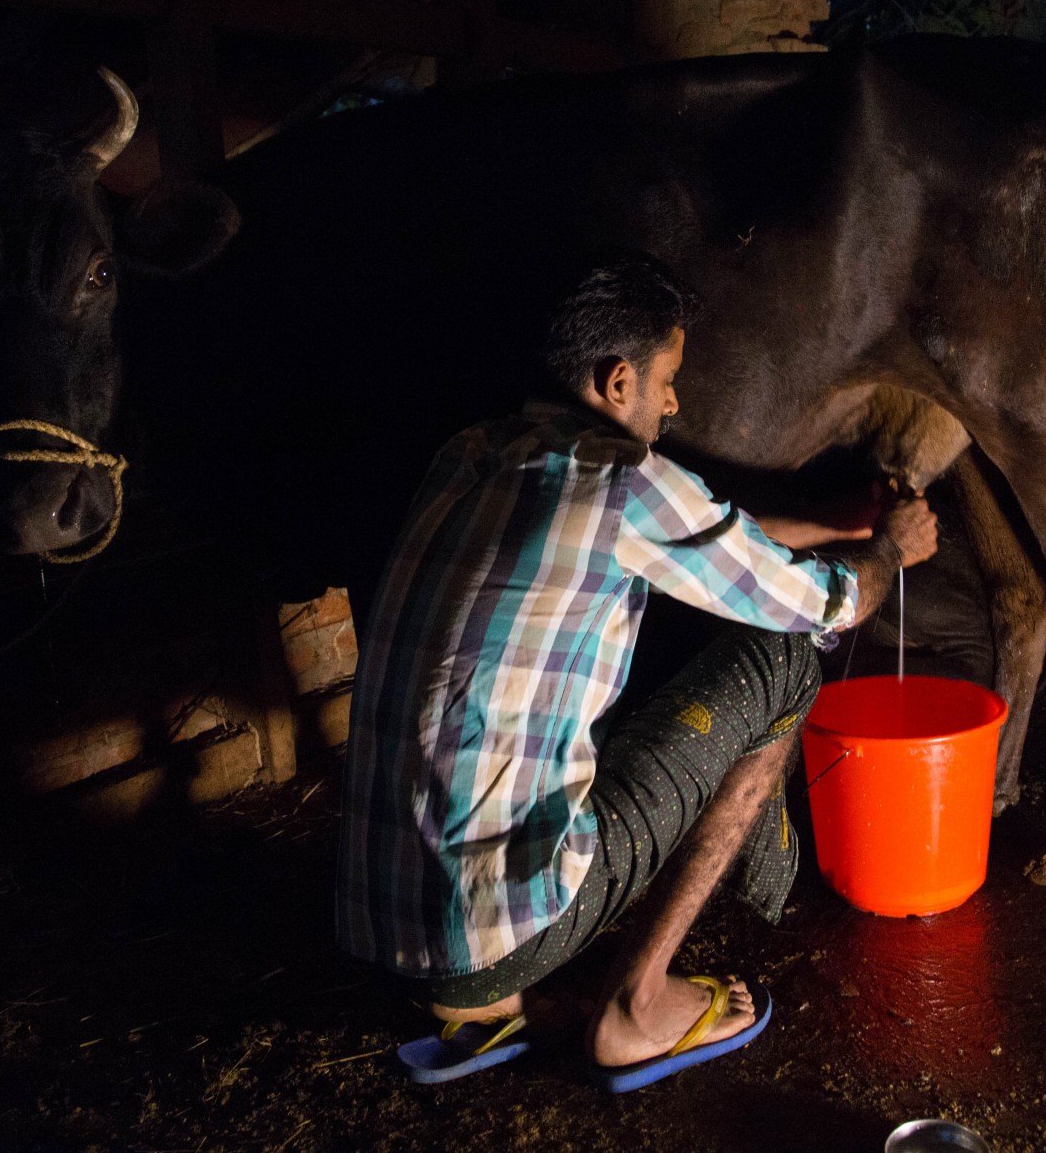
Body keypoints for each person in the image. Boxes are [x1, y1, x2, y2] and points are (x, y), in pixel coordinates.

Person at [336, 256, 938, 1089]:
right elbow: (823, 606)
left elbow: (703, 538)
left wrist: (832, 523)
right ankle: (637, 1004)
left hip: (390, 925)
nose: (673, 402)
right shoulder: (623, 478)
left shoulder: (471, 452)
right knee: (786, 661)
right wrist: (885, 550)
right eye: (667, 379)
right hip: (499, 928)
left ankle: (480, 1008)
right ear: (618, 381)